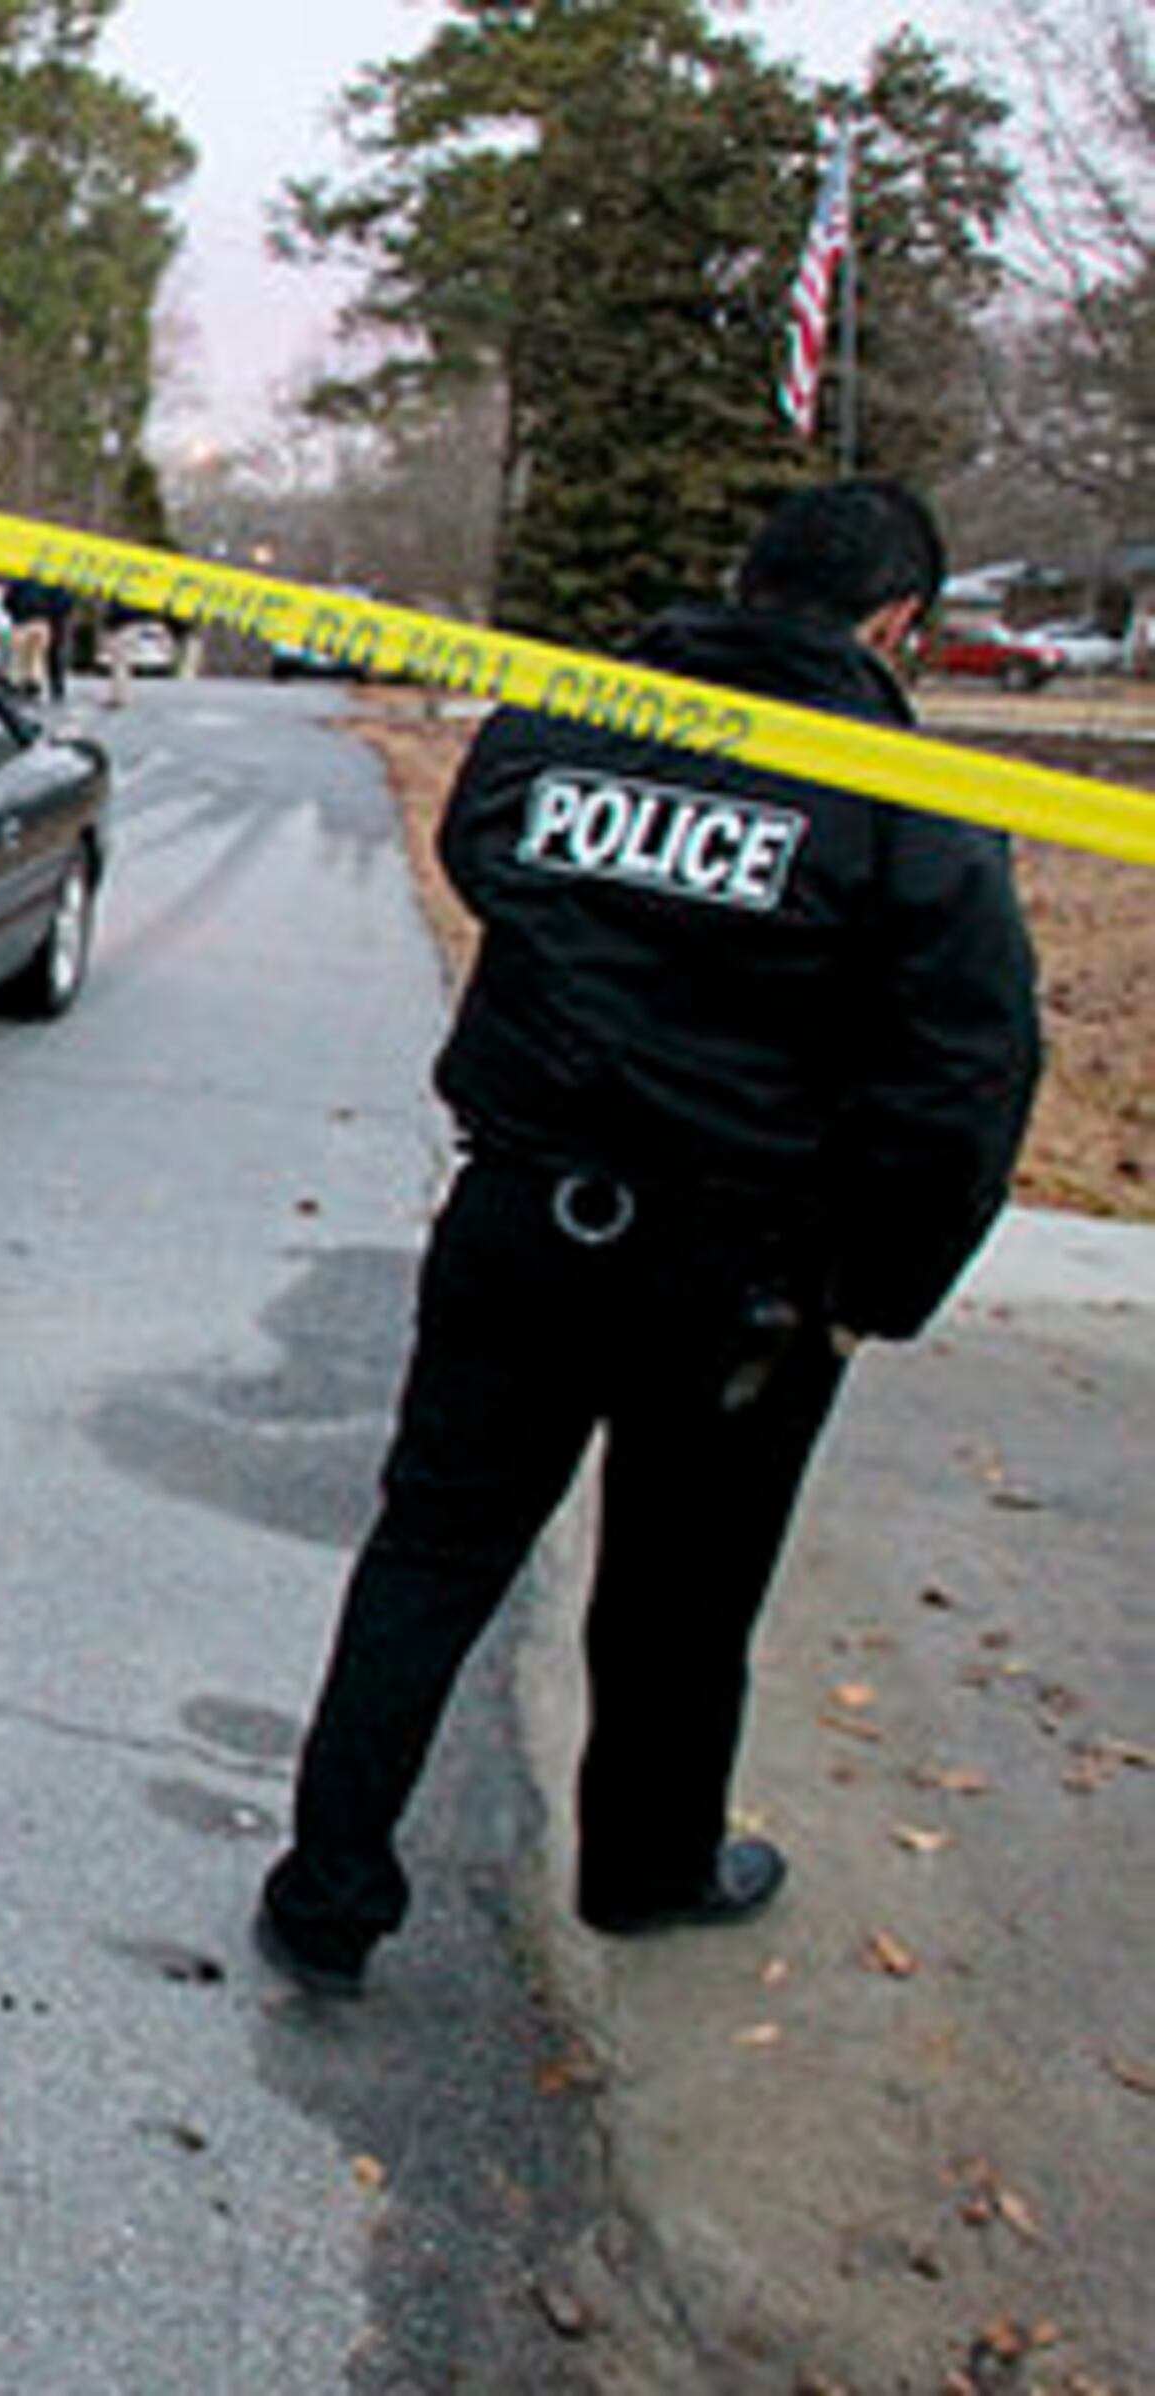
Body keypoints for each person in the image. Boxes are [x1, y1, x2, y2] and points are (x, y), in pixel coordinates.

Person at [254, 477, 1041, 1998]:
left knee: (430, 1556)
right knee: (681, 1597)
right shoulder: (902, 791)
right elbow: (966, 1073)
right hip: (741, 1270)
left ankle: (328, 1894)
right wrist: (875, 1288)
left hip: (523, 1215)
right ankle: (645, 1868)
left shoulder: (574, 719)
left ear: (748, 582)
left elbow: (486, 852)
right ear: (896, 622)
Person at [4, 573, 73, 704]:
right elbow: (65, 603)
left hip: (23, 622)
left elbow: (8, 601)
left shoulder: (19, 580)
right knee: (38, 656)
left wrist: (16, 615)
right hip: (43, 623)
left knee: (21, 656)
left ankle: (20, 682)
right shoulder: (54, 582)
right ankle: (35, 682)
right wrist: (51, 616)